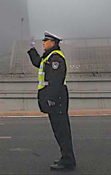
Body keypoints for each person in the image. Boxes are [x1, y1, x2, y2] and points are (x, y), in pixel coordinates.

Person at [27, 31, 76, 171]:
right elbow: (38, 63)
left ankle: (67, 160)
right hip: (56, 100)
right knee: (59, 130)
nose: (43, 43)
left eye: (45, 41)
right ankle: (67, 158)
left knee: (62, 131)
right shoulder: (48, 57)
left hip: (57, 100)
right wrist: (31, 49)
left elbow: (56, 81)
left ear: (52, 43)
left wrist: (52, 100)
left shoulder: (56, 58)